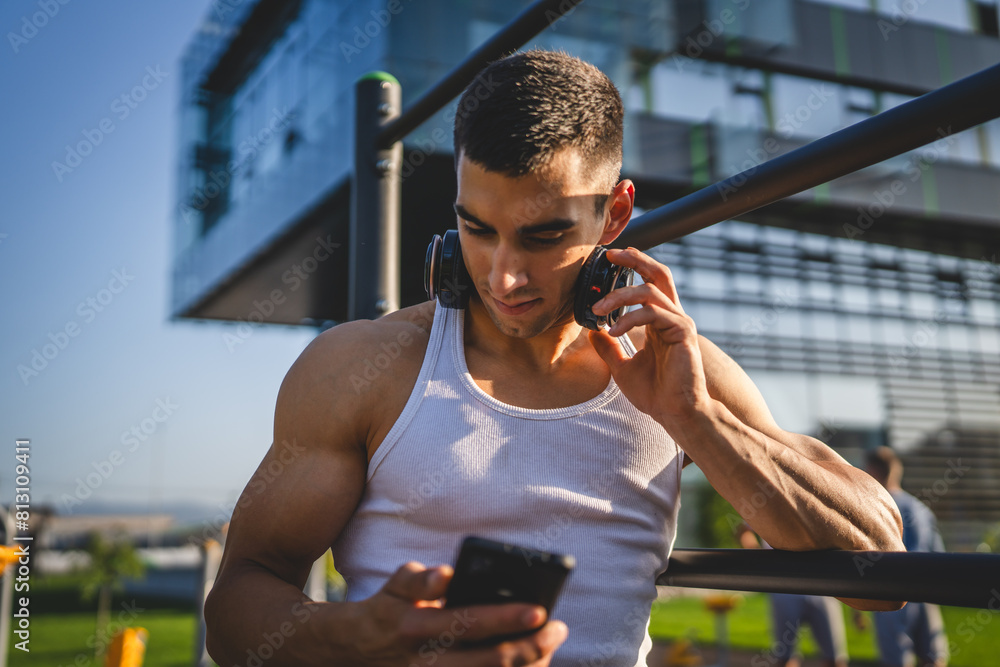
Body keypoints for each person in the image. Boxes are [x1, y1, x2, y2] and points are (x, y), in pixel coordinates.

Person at [204, 49, 904, 667]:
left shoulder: (677, 370)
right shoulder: (359, 367)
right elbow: (235, 608)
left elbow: (881, 572)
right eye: (476, 228)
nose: (503, 276)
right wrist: (363, 641)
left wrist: (695, 420)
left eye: (543, 236)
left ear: (615, 215)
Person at [865, 447, 948, 667]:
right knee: (933, 658)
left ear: (873, 470)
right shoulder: (921, 508)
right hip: (925, 593)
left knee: (897, 660)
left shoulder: (875, 508)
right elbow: (939, 554)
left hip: (890, 597)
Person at [736, 523, 848, 667]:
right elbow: (744, 530)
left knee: (835, 658)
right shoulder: (770, 500)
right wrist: (760, 558)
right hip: (784, 585)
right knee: (785, 657)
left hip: (822, 583)